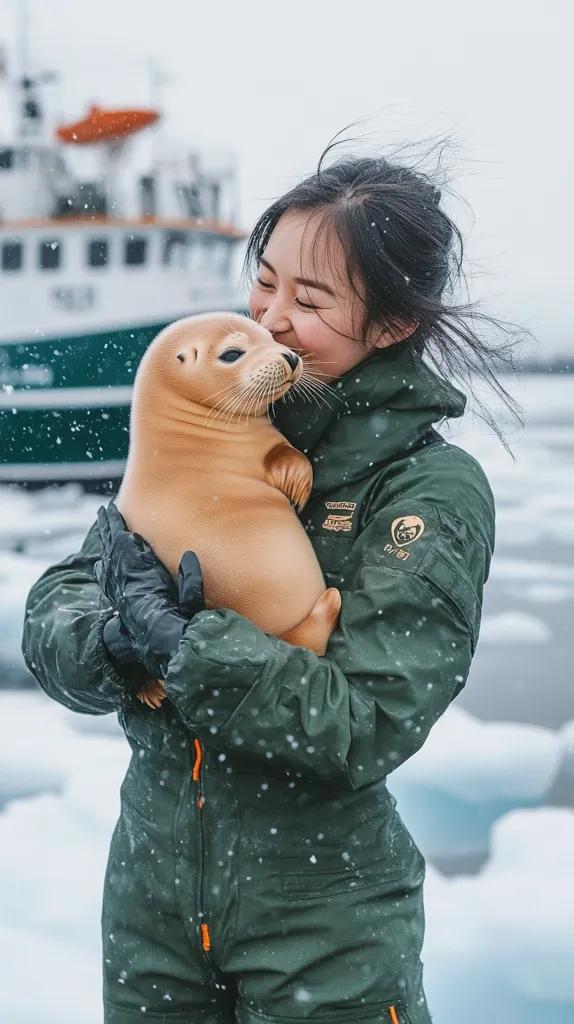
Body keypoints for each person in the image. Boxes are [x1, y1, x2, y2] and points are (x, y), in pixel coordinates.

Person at [22, 144, 519, 1024]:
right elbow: (62, 600)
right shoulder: (208, 419)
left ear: (392, 325)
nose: (271, 317)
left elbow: (366, 721)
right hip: (153, 906)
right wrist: (108, 640)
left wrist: (189, 647)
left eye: (312, 299)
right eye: (264, 282)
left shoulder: (425, 491)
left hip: (322, 924)